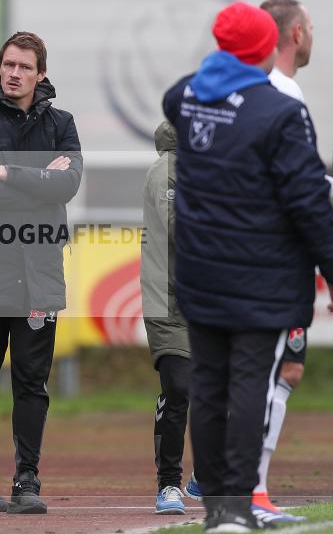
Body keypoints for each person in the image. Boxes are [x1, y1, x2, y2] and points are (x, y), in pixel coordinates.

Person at [162, 2, 333, 532]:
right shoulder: (280, 112)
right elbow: (307, 200)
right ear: (266, 48)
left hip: (200, 272)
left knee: (208, 384)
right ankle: (238, 507)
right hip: (262, 276)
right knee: (250, 383)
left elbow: (176, 97)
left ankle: (217, 506)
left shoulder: (190, 95)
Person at [0, 31, 83, 515]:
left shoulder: (62, 123)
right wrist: (36, 182)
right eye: (8, 64)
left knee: (32, 382)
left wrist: (4, 171)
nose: (13, 73)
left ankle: (27, 477)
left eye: (24, 67)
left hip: (39, 273)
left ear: (40, 73)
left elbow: (66, 185)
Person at [231, 0, 333, 524]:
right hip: (274, 260)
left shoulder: (239, 92)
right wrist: (332, 192)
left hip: (238, 256)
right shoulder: (281, 93)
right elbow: (295, 182)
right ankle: (249, 491)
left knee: (275, 371)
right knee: (268, 371)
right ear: (296, 33)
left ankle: (239, 487)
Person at [141, 120, 191, 516]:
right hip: (169, 303)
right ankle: (168, 484)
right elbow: (180, 228)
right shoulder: (168, 169)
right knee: (178, 388)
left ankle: (206, 476)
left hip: (207, 303)